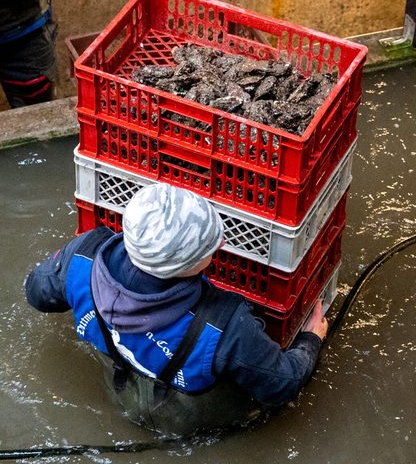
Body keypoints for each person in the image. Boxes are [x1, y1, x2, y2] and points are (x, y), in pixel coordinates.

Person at [25, 183, 329, 435]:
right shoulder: (224, 326)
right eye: (210, 247)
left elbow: (36, 292)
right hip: (192, 423)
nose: (220, 244)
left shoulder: (84, 256)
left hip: (121, 395)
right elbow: (281, 385)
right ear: (188, 266)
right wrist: (310, 341)